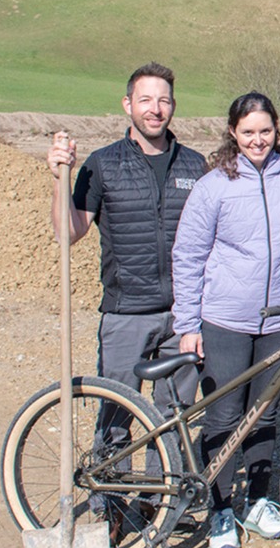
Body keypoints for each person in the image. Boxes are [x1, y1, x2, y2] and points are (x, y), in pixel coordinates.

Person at [172, 92, 280, 548]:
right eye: (248, 132)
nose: (257, 140)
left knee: (265, 412)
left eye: (265, 131)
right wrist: (187, 324)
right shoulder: (213, 187)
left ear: (276, 130)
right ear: (233, 133)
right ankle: (220, 508)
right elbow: (188, 257)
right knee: (225, 415)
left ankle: (259, 502)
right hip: (224, 320)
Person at [46, 62, 206, 416]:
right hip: (126, 315)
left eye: (163, 101)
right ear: (127, 104)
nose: (155, 109)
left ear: (173, 106)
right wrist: (59, 180)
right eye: (145, 100)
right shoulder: (102, 165)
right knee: (115, 418)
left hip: (183, 316)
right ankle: (111, 457)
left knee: (174, 418)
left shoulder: (195, 166)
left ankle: (165, 458)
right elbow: (67, 233)